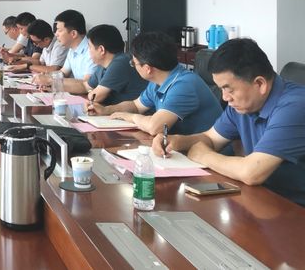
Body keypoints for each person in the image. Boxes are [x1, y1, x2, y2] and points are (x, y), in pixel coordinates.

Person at [152, 38, 305, 206]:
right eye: (221, 89)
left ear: (259, 84)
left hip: (295, 209)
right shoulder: (243, 104)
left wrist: (204, 155)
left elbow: (251, 172)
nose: (225, 97)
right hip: (263, 199)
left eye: (228, 89)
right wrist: (177, 141)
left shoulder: (296, 106)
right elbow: (211, 139)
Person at [87, 32, 222, 136]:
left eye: (134, 63)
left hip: (207, 155)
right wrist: (106, 110)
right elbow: (136, 106)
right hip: (179, 148)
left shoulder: (183, 85)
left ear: (148, 69)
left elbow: (155, 127)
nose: (133, 65)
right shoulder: (158, 81)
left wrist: (130, 117)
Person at [85, 24, 147, 106]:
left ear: (101, 50)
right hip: (120, 111)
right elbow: (86, 86)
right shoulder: (103, 65)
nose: (88, 51)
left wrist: (91, 92)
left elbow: (96, 97)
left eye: (89, 47)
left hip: (134, 112)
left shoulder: (121, 62)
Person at [54, 9, 96, 93]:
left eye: (59, 30)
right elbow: (63, 72)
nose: (56, 34)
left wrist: (51, 81)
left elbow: (87, 84)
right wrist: (46, 77)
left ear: (73, 34)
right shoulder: (72, 49)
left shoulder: (92, 50)